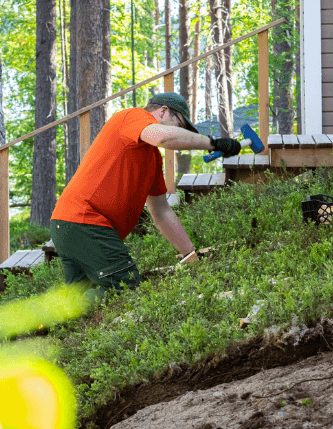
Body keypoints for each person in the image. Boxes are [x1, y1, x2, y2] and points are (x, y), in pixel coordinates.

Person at [49, 92, 241, 299]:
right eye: (180, 124)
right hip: (86, 221)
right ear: (163, 111)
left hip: (71, 226)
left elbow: (161, 212)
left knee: (74, 303)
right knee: (126, 288)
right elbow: (165, 136)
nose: (181, 131)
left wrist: (190, 254)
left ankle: (41, 320)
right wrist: (213, 143)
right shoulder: (132, 117)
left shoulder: (152, 159)